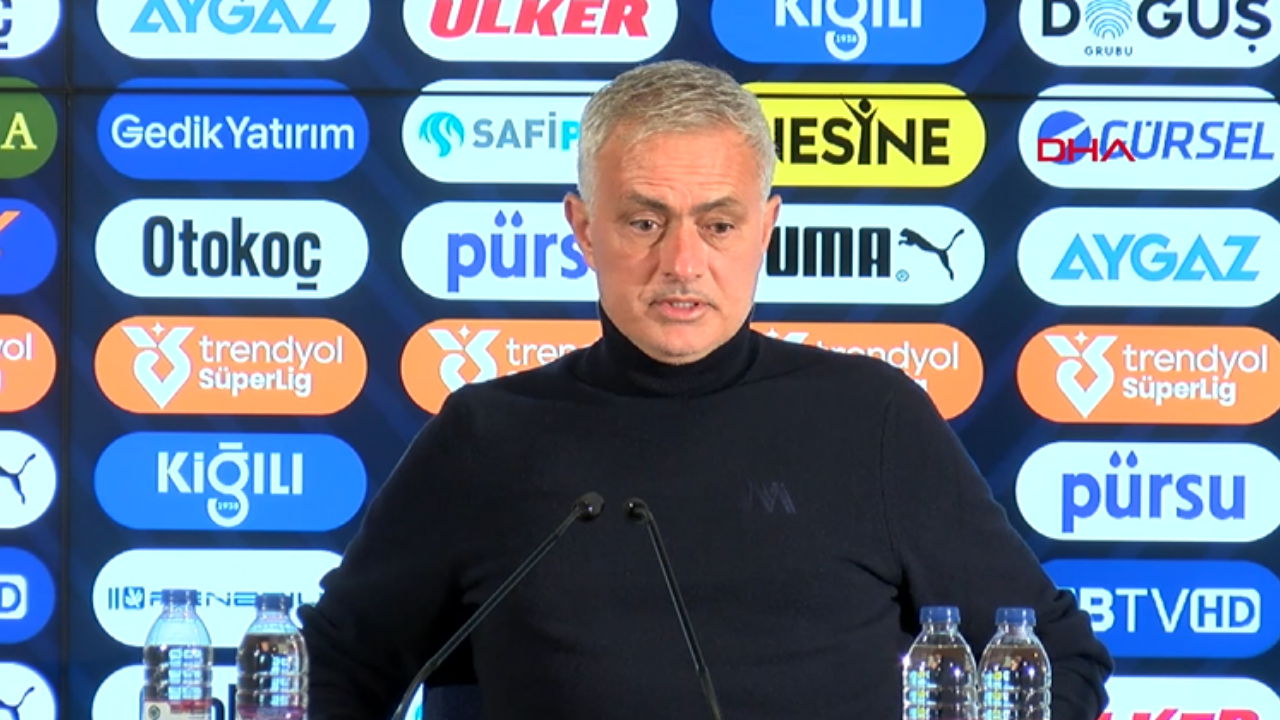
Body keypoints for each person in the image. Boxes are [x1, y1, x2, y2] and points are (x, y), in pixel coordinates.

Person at [298, 59, 1113, 720]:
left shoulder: (873, 418)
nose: (682, 263)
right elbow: (333, 671)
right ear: (583, 229)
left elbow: (1054, 656)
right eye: (644, 221)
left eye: (718, 224)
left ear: (766, 228)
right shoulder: (486, 437)